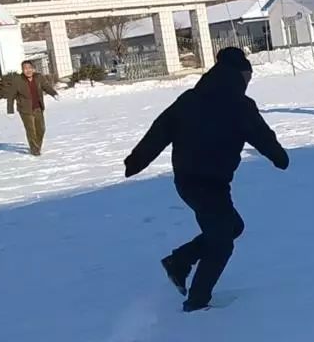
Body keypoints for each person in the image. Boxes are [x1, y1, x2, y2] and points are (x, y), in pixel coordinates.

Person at [123, 47, 289, 312]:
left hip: (191, 181)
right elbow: (262, 135)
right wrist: (279, 157)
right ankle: (197, 302)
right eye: (248, 78)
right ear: (240, 76)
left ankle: (180, 260)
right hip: (206, 183)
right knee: (222, 240)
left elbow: (159, 131)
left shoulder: (190, 99)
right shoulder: (240, 106)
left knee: (232, 227)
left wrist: (135, 162)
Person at [6, 60, 59, 156]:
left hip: (38, 107)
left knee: (41, 129)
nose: (28, 70)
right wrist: (10, 110)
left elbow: (46, 87)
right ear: (22, 70)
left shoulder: (39, 77)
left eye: (29, 68)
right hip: (25, 109)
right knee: (31, 130)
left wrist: (54, 94)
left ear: (33, 69)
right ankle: (35, 150)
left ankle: (37, 146)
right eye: (25, 69)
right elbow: (11, 96)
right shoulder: (17, 80)